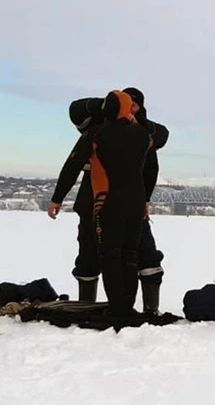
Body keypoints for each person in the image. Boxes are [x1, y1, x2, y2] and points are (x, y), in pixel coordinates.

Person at [48, 90, 152, 324]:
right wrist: (147, 200)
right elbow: (150, 167)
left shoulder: (97, 134)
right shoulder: (143, 135)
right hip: (136, 204)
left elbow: (72, 166)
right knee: (130, 254)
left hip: (107, 203)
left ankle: (117, 309)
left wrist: (57, 198)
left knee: (110, 254)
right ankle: (127, 306)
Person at [67, 87, 169, 314]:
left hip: (131, 203)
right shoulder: (99, 126)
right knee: (88, 256)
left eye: (134, 105)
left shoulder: (142, 132)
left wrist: (137, 119)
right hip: (94, 203)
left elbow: (162, 137)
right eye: (125, 103)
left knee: (144, 256)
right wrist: (108, 105)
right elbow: (75, 110)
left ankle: (148, 309)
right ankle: (88, 308)